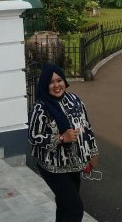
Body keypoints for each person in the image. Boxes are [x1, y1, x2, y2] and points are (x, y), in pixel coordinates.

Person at [28, 63, 99, 222]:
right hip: (52, 167)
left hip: (74, 164)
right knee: (75, 209)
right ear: (45, 85)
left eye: (59, 80)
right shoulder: (40, 108)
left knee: (64, 205)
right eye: (51, 82)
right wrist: (61, 138)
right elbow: (33, 137)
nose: (56, 85)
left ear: (64, 81)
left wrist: (93, 152)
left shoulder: (75, 100)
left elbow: (87, 127)